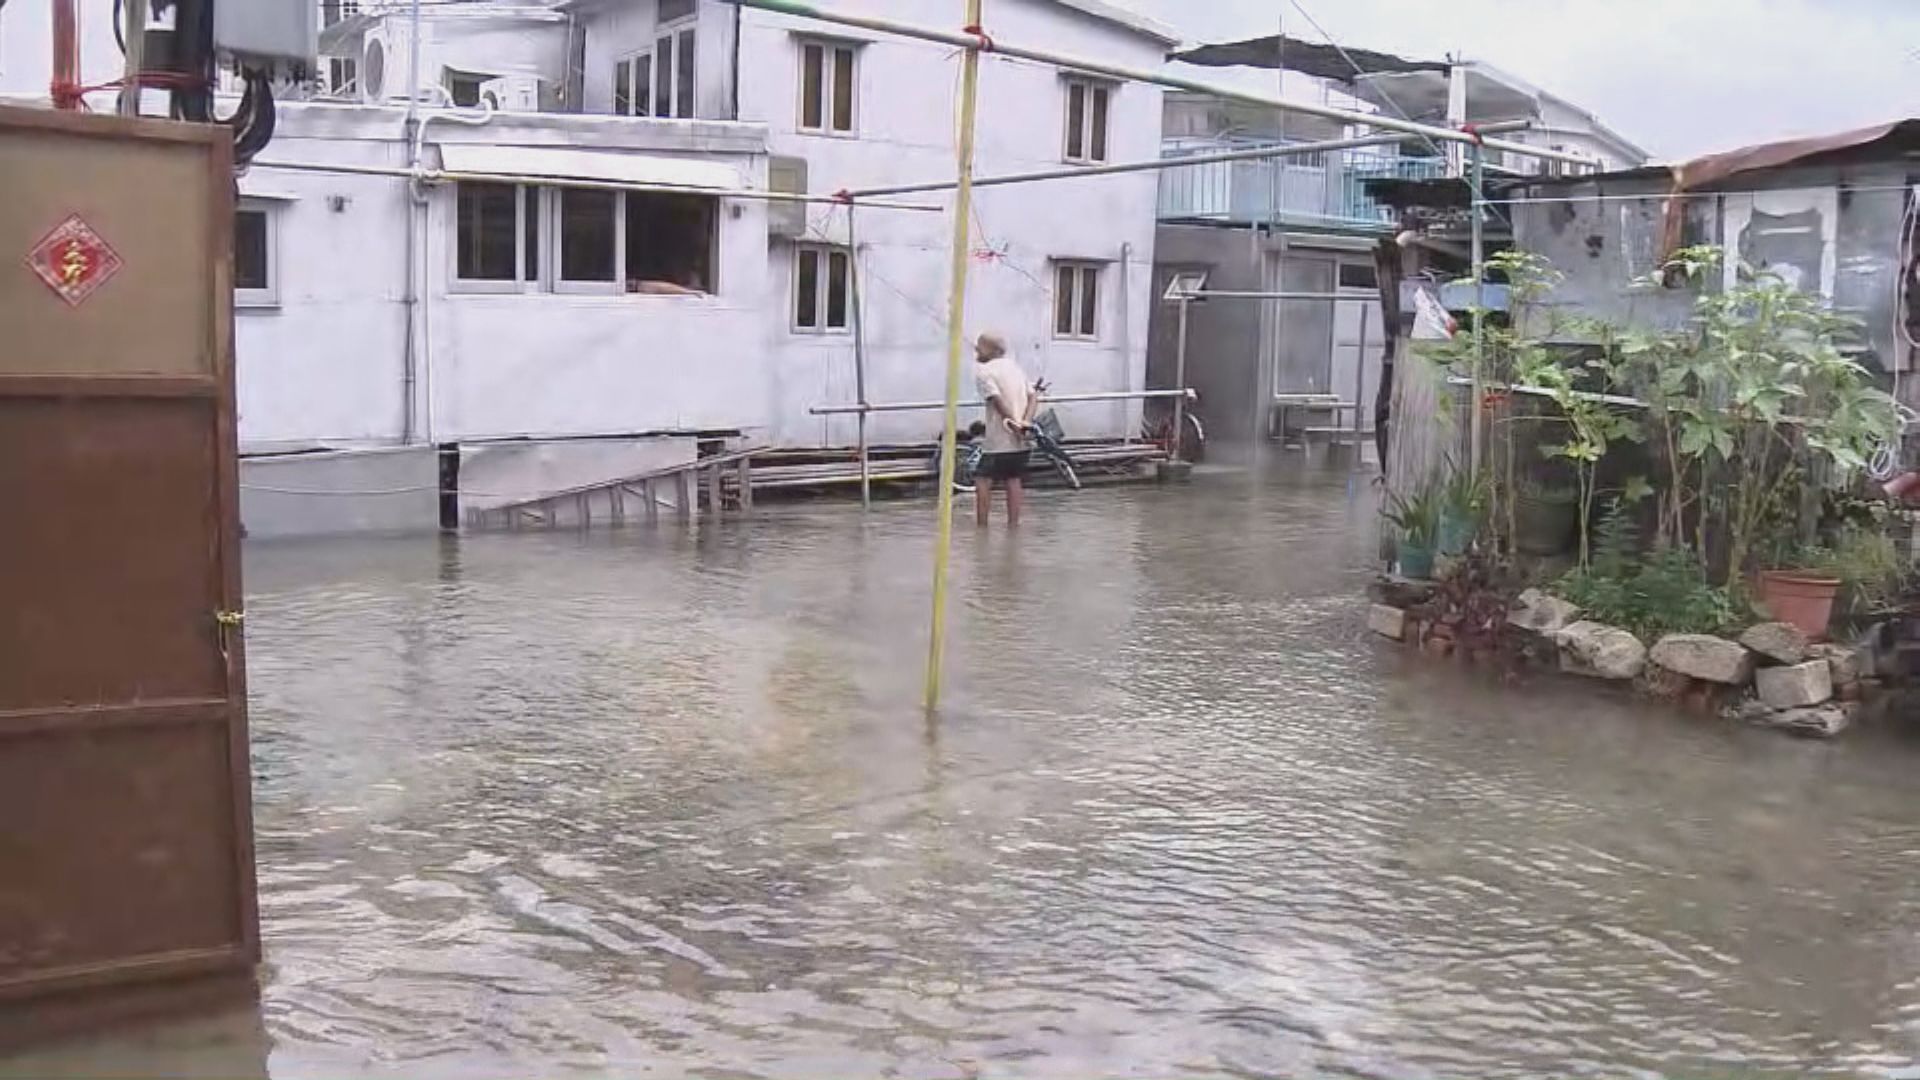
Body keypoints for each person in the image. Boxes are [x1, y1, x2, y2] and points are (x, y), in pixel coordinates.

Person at [971, 332, 1038, 526]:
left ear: (991, 350)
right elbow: (1033, 397)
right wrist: (1025, 423)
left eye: (980, 346)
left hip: (999, 440)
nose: (976, 350)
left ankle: (982, 527)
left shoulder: (984, 372)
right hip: (1021, 440)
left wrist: (1014, 424)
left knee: (982, 479)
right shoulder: (1016, 369)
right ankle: (1013, 526)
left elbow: (997, 402)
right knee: (1013, 479)